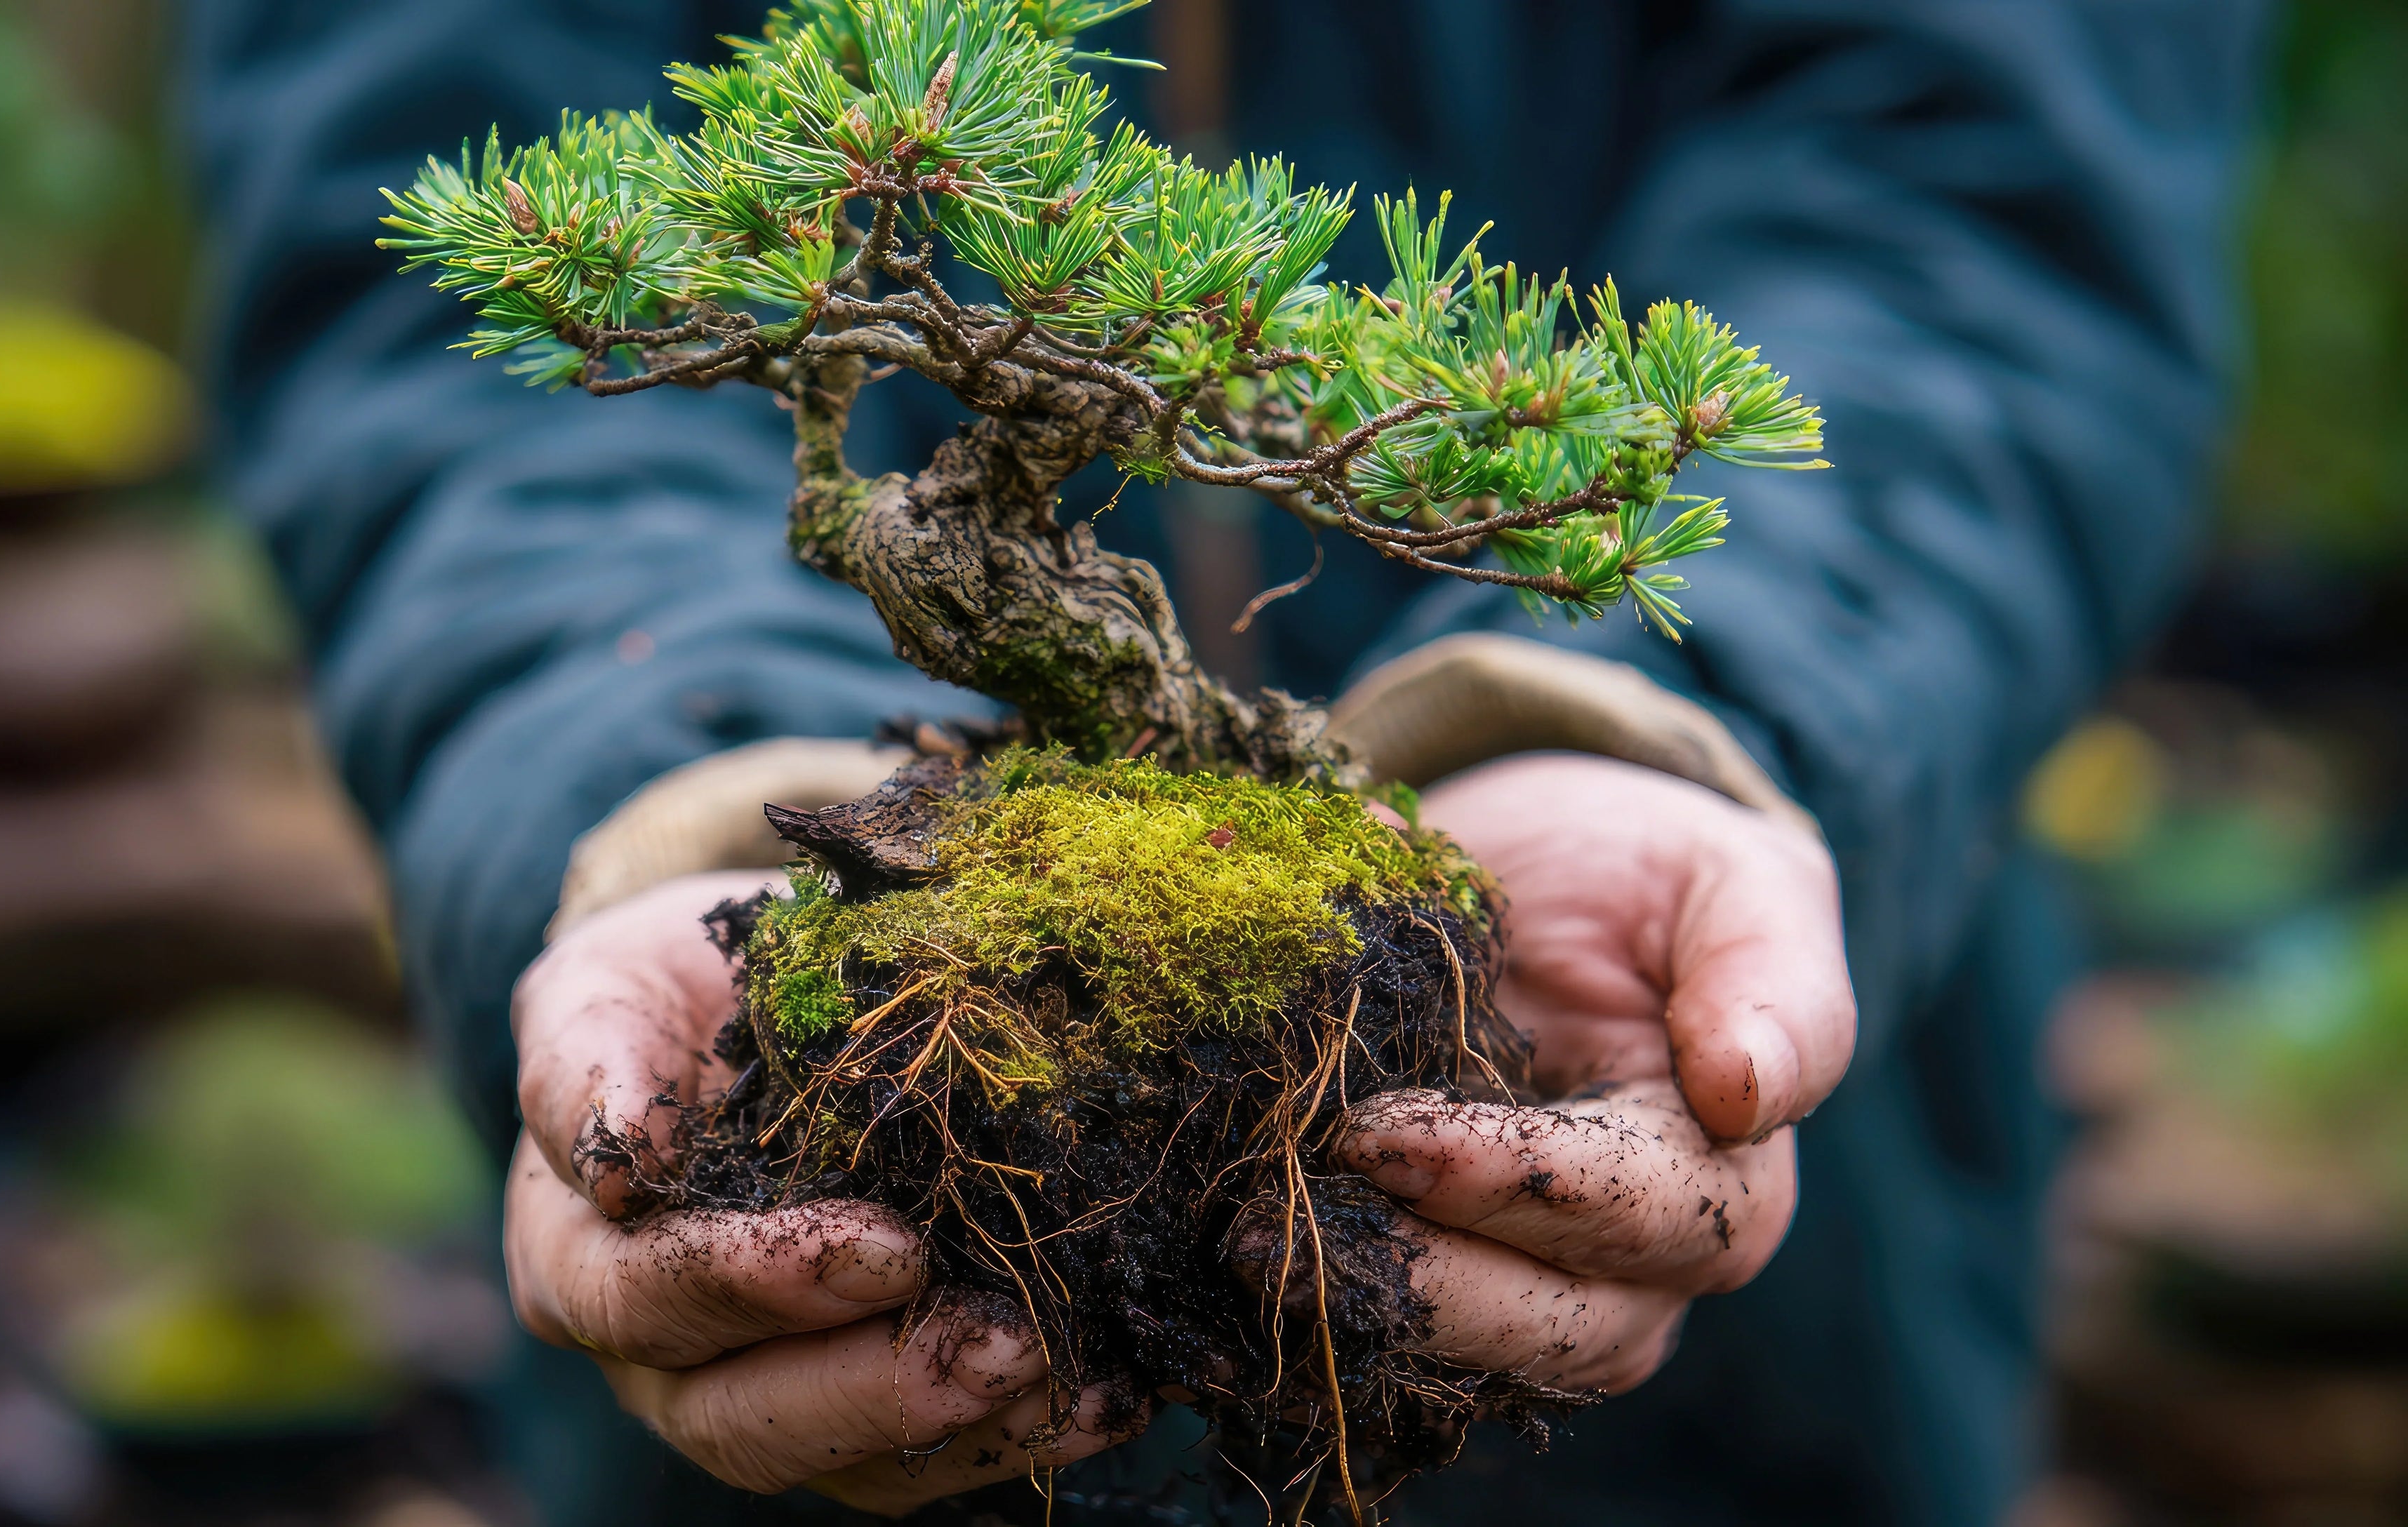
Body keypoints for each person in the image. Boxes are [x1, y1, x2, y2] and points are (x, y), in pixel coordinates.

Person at [182, 2, 2261, 1521]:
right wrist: (659, 779)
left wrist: (1647, 703)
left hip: (1745, 1426)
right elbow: (419, 280)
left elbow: (1982, 206)